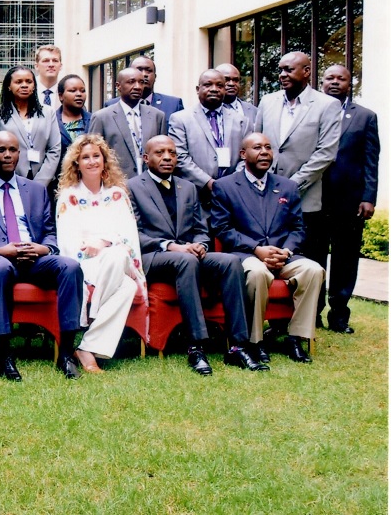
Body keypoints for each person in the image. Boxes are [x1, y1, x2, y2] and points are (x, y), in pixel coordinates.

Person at [129, 136, 266, 374]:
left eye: (172, 153)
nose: (167, 158)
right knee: (186, 260)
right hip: (153, 257)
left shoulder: (188, 187)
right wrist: (171, 246)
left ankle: (238, 345)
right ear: (146, 158)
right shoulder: (131, 187)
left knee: (230, 262)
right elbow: (133, 235)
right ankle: (196, 346)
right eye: (160, 153)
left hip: (189, 254)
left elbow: (201, 229)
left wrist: (201, 244)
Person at [0, 131, 84, 380]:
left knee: (70, 267)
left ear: (20, 153)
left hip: (34, 258)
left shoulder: (36, 190)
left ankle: (66, 353)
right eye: (1, 150)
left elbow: (49, 232)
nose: (8, 155)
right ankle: (4, 355)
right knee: (0, 267)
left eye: (13, 150)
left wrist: (43, 249)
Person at [210, 132, 324, 364]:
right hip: (246, 254)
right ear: (243, 154)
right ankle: (256, 341)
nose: (264, 152)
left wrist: (286, 251)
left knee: (314, 270)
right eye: (257, 148)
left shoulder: (287, 186)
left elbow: (298, 228)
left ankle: (296, 337)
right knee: (257, 272)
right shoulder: (225, 186)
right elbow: (222, 228)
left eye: (268, 147)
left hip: (283, 255)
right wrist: (256, 249)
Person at [55, 133, 146, 373]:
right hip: (85, 264)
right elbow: (67, 241)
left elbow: (129, 236)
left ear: (105, 160)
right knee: (127, 287)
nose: (92, 161)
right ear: (76, 163)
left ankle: (92, 321)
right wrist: (94, 247)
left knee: (117, 255)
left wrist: (103, 241)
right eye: (85, 157)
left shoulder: (117, 195)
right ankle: (89, 345)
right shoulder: (69, 197)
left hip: (116, 261)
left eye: (97, 156)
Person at [254, 51, 342, 289]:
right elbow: (256, 142)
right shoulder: (267, 101)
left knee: (308, 261)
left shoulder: (327, 105)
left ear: (307, 72)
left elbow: (326, 153)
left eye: (289, 70)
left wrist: (291, 186)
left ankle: (311, 309)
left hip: (305, 198)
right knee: (271, 261)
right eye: (280, 70)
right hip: (265, 198)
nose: (282, 75)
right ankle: (274, 310)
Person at [319, 65, 379, 333]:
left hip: (349, 202)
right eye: (329, 78)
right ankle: (311, 313)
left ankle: (339, 316)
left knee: (345, 259)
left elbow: (370, 161)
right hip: (315, 199)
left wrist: (368, 197)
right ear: (321, 82)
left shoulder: (365, 117)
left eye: (340, 78)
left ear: (349, 84)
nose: (334, 82)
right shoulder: (311, 112)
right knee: (313, 258)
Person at [168, 69, 251, 206]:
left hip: (233, 197)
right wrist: (209, 183)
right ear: (197, 89)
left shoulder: (242, 121)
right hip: (197, 197)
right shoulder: (180, 119)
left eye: (219, 85)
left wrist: (232, 183)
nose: (214, 89)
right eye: (208, 85)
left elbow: (247, 156)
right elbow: (180, 157)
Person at [89, 67, 167, 179]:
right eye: (131, 82)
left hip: (151, 183)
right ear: (118, 86)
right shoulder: (102, 117)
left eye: (141, 82)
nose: (137, 87)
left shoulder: (157, 116)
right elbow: (93, 155)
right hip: (116, 183)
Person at [0, 66, 61, 186]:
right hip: (9, 181)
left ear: (34, 86)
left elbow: (54, 149)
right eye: (18, 82)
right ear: (9, 86)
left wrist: (40, 183)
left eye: (28, 82)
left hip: (44, 182)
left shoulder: (48, 112)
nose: (24, 85)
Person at [105, 56, 184, 120]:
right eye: (139, 70)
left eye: (148, 71)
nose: (144, 74)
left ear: (155, 77)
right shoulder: (111, 105)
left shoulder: (173, 104)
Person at [54, 74, 92, 173]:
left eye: (82, 91)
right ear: (61, 96)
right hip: (59, 178)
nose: (79, 94)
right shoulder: (51, 121)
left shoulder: (94, 120)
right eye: (73, 90)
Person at [33, 45, 63, 111]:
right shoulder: (28, 89)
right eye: (46, 61)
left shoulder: (67, 91)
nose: (51, 65)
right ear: (36, 66)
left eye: (55, 61)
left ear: (60, 66)